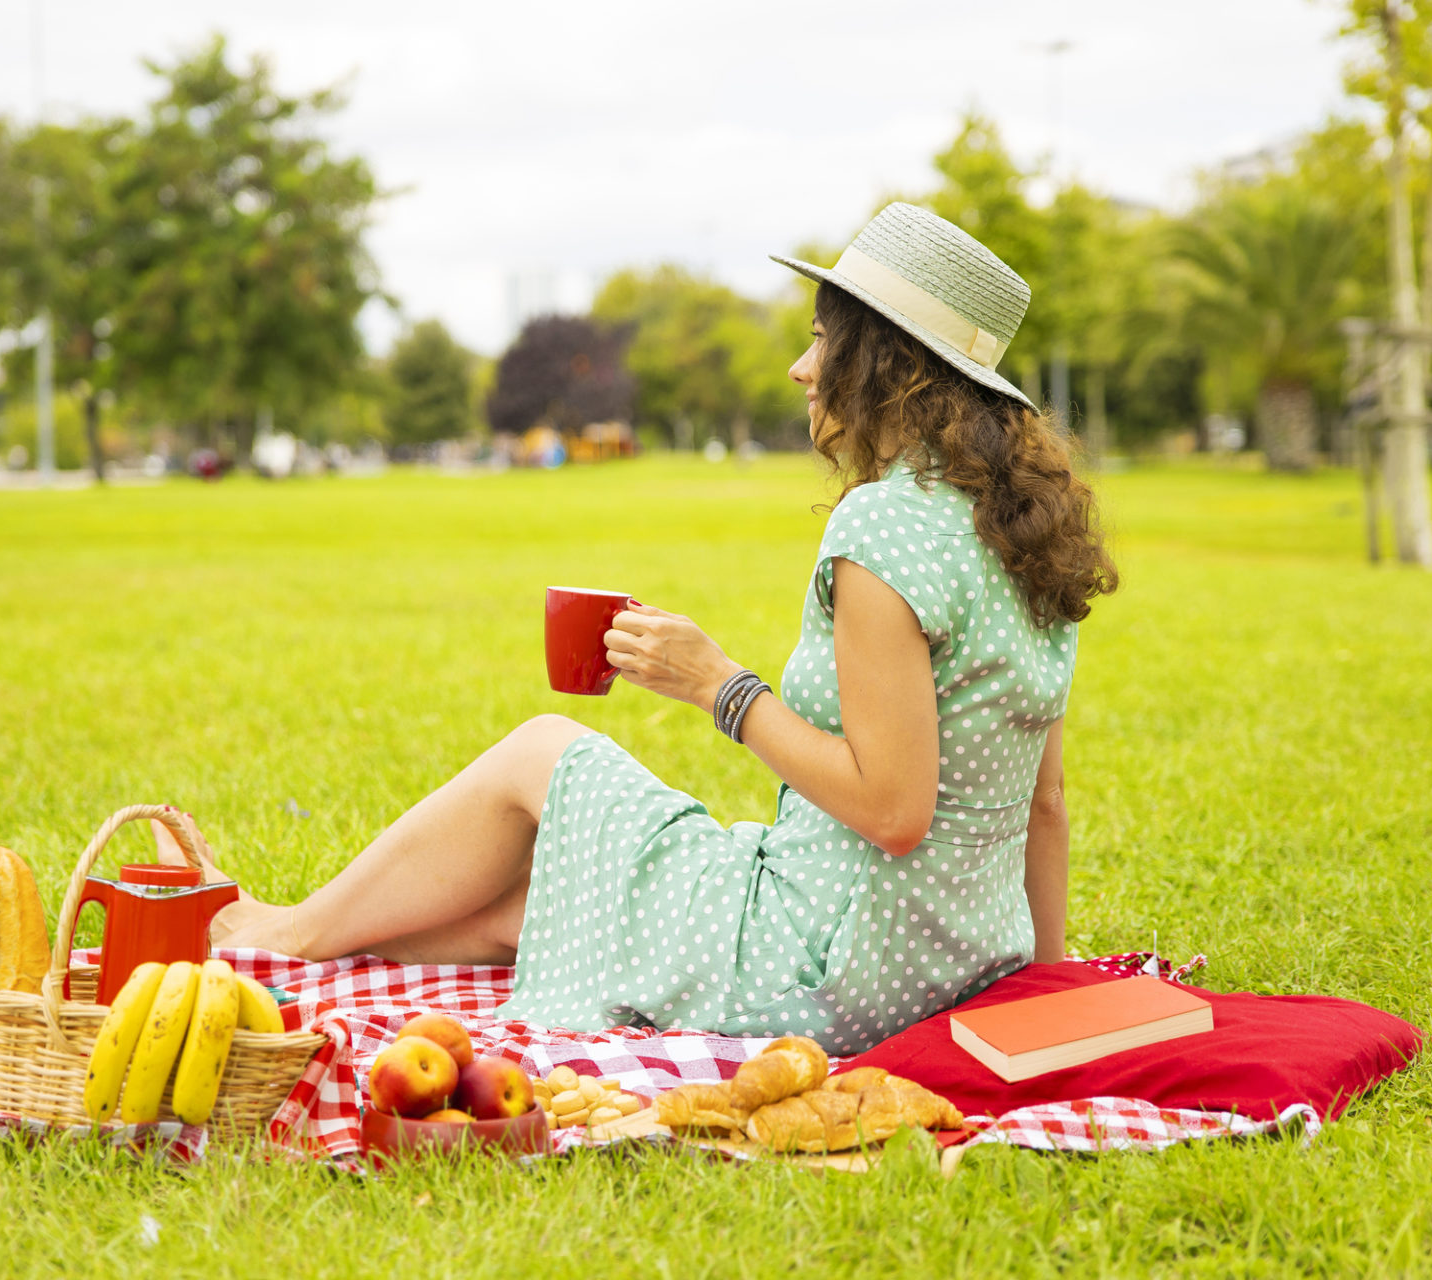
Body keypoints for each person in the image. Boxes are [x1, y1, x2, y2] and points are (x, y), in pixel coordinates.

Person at [170, 203, 1117, 1054]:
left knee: (542, 751)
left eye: (823, 341)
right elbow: (1046, 806)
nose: (802, 367)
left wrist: (720, 687)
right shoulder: (1025, 534)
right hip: (959, 967)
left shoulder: (883, 527)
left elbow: (893, 811)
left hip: (823, 969)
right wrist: (1038, 987)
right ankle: (282, 931)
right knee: (531, 909)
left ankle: (280, 936)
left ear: (890, 367)